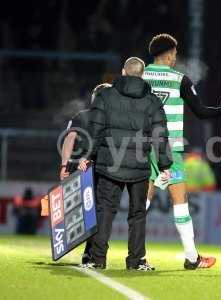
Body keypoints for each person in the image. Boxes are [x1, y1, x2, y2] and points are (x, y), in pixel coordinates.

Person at [80, 57, 172, 271]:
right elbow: (160, 135)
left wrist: (87, 155)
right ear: (142, 74)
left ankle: (97, 259)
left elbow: (95, 129)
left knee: (105, 210)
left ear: (123, 71)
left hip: (109, 163)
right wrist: (165, 164)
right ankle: (136, 260)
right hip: (139, 166)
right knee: (138, 214)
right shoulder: (153, 101)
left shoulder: (105, 95)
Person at [143, 33, 221, 269]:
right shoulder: (180, 79)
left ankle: (135, 254)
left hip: (142, 147)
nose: (175, 58)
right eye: (175, 54)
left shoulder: (139, 75)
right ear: (168, 54)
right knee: (180, 202)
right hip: (170, 148)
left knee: (142, 202)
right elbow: (200, 111)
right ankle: (191, 257)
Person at [59, 83, 111, 265]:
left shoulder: (80, 116)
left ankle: (72, 242)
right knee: (97, 211)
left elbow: (69, 139)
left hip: (79, 167)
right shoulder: (113, 119)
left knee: (78, 208)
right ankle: (90, 252)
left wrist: (65, 166)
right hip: (102, 168)